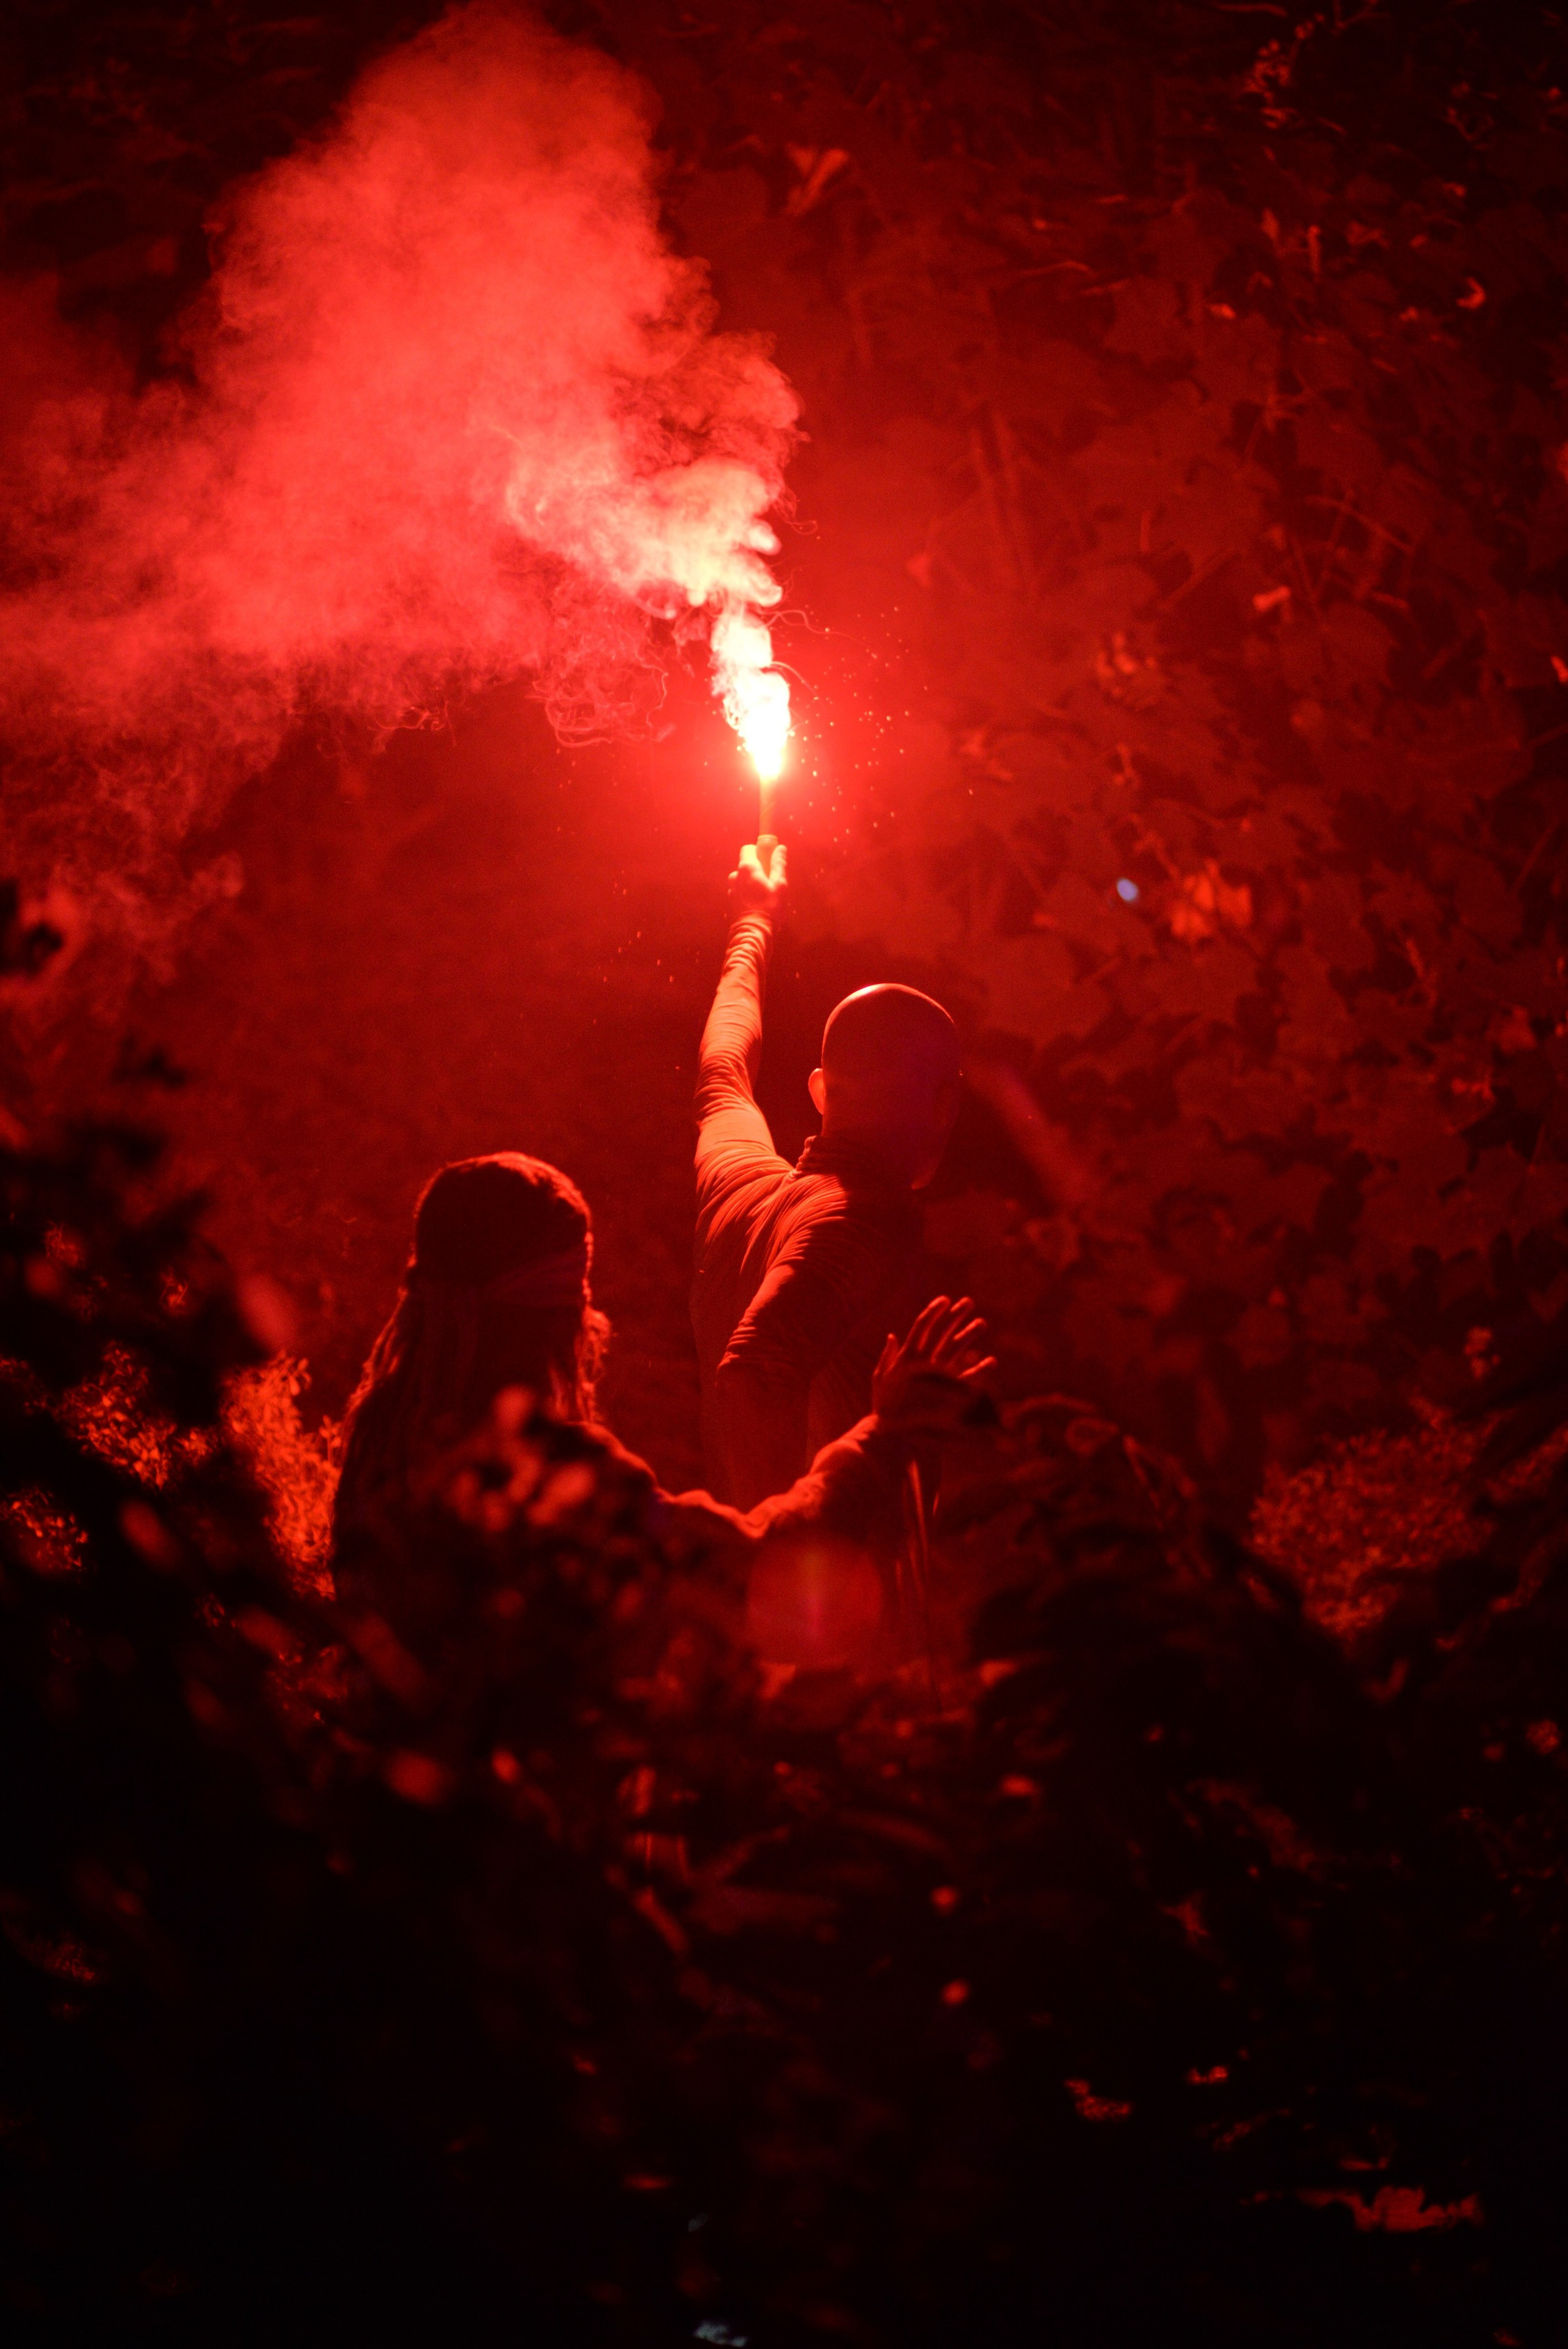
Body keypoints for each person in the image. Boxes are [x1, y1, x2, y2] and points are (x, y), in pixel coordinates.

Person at [331, 1152, 989, 1577]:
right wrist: (882, 1435)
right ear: (562, 1313)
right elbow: (751, 1562)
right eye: (582, 1292)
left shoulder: (383, 1443)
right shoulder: (555, 1475)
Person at [693, 842, 968, 1510]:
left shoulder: (741, 1182)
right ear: (945, 1105)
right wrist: (775, 1553)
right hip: (816, 1604)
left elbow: (726, 1058)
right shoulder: (859, 1221)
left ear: (820, 1090)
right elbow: (752, 1377)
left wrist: (752, 923)